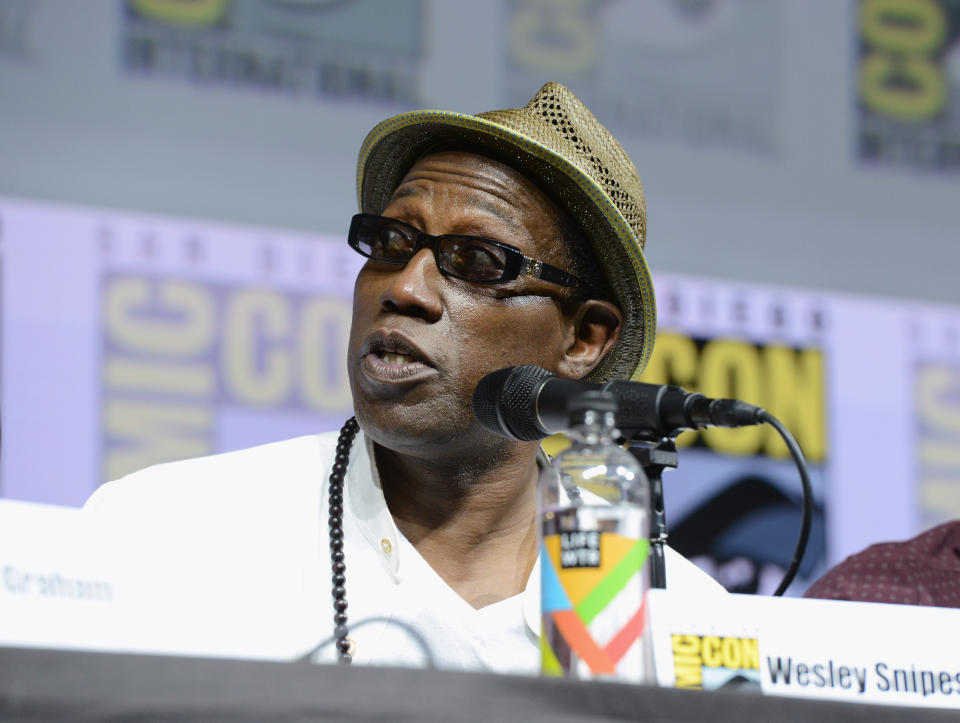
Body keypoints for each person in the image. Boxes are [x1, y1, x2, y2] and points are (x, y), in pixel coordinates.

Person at [85, 82, 725, 672]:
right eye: (391, 242)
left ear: (583, 338)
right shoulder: (165, 534)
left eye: (477, 260)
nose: (406, 288)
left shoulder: (686, 625)